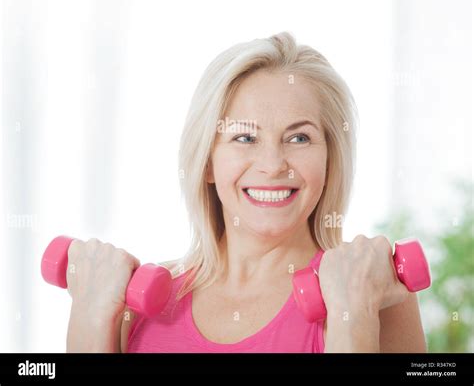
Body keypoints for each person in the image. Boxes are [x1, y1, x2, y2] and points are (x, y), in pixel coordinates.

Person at [66, 32, 427, 353]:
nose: (272, 164)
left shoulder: (376, 293)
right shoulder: (139, 306)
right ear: (207, 162)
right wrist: (90, 319)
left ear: (330, 159)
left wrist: (353, 319)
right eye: (244, 137)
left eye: (299, 138)